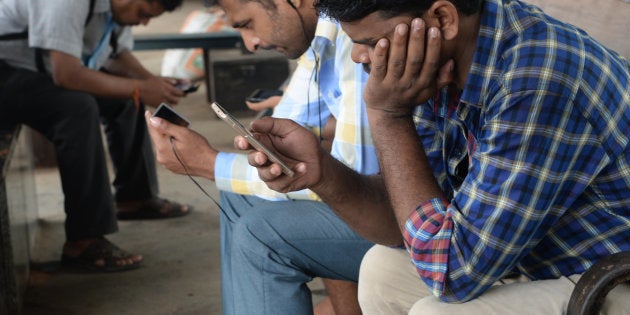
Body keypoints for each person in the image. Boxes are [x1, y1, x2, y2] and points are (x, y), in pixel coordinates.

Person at [239, 0, 630, 313]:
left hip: (613, 278)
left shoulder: (536, 83)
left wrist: (387, 117)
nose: (358, 57)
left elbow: (452, 274)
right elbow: (404, 227)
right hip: (536, 260)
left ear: (442, 17)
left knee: (437, 311)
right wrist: (322, 172)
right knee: (381, 270)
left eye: (372, 42)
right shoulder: (446, 52)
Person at [146, 0, 377, 313]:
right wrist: (253, 152)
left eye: (246, 24)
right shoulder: (321, 37)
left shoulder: (355, 37)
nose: (250, 44)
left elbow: (352, 185)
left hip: (395, 217)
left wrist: (210, 163)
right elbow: (287, 127)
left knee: (261, 234)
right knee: (237, 196)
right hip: (373, 199)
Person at [0, 0, 192, 273]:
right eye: (144, 14)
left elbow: (113, 55)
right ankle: (83, 242)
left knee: (126, 99)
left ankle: (133, 198)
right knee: (76, 109)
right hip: (4, 70)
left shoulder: (113, 12)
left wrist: (152, 84)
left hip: (31, 70)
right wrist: (139, 88)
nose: (144, 22)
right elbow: (66, 74)